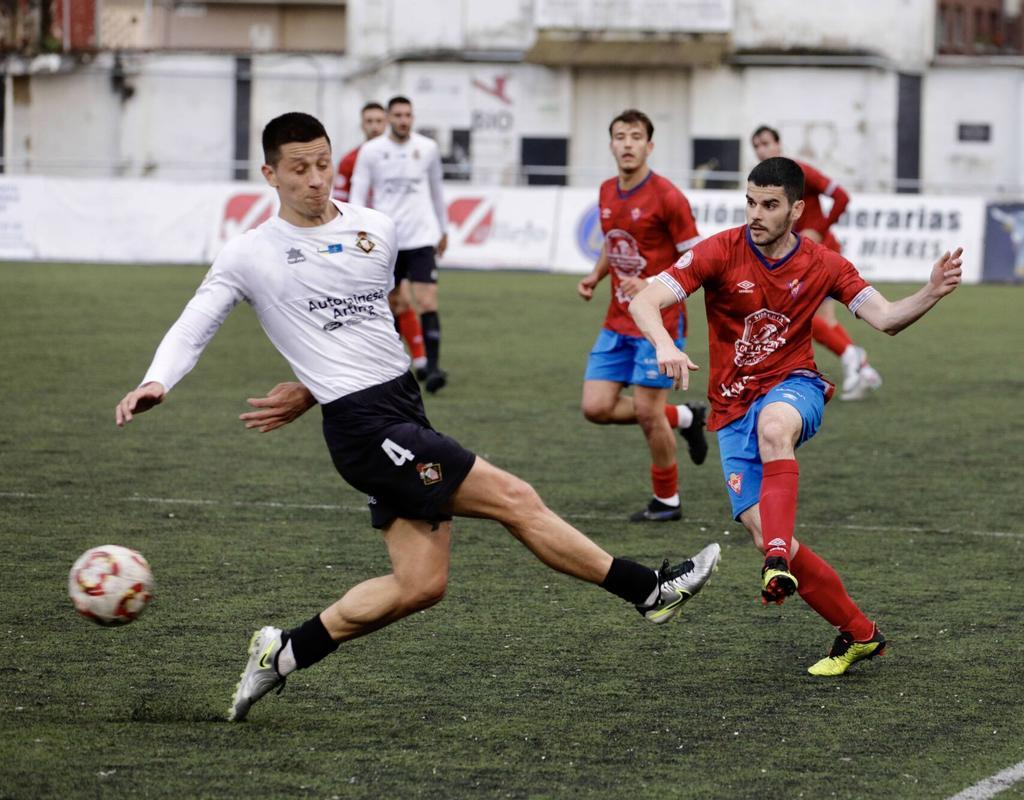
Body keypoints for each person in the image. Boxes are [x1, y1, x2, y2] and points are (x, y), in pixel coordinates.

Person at [114, 112, 722, 722]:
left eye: (323, 164)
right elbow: (197, 321)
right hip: (365, 430)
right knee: (516, 498)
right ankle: (649, 591)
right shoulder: (251, 253)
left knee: (420, 585)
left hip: (402, 403)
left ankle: (283, 653)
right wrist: (156, 380)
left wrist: (310, 384)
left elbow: (360, 325)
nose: (315, 180)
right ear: (270, 174)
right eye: (298, 169)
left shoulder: (375, 229)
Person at [630, 157, 963, 675]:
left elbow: (887, 318)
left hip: (794, 387)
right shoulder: (719, 250)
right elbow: (646, 300)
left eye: (769, 205)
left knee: (775, 429)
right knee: (759, 528)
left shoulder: (824, 264)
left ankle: (777, 562)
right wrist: (664, 343)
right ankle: (859, 634)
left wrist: (932, 292)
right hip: (730, 407)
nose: (755, 214)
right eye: (750, 202)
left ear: (797, 209)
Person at [576, 109, 710, 523]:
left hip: (660, 324)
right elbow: (613, 243)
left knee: (650, 414)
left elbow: (697, 256)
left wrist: (652, 280)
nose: (628, 143)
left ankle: (667, 501)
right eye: (621, 136)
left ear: (649, 146)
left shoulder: (668, 196)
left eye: (636, 136)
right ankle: (687, 417)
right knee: (595, 407)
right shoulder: (606, 191)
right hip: (617, 321)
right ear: (612, 144)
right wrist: (596, 276)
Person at [750, 125, 882, 401]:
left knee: (801, 316)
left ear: (778, 144)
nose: (761, 149)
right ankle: (863, 368)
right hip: (801, 255)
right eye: (757, 145)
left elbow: (841, 197)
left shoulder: (800, 171)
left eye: (765, 143)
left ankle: (851, 355)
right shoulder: (764, 182)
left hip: (817, 253)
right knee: (823, 320)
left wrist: (819, 228)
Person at [350, 96, 450, 393]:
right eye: (398, 115)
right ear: (389, 118)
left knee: (428, 300)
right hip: (386, 238)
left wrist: (443, 230)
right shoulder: (371, 151)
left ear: (413, 118)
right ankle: (394, 370)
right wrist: (360, 233)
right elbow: (358, 193)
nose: (403, 120)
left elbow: (437, 190)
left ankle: (432, 370)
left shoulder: (427, 149)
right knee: (393, 304)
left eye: (408, 115)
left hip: (421, 237)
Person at [334, 101, 429, 375]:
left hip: (392, 237)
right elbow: (340, 201)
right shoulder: (350, 160)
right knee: (369, 299)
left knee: (397, 296)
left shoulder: (400, 157)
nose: (375, 126)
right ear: (362, 124)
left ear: (385, 122)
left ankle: (419, 360)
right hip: (361, 239)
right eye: (369, 121)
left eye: (379, 121)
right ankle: (380, 358)